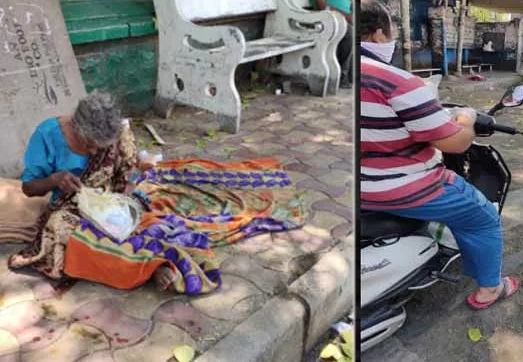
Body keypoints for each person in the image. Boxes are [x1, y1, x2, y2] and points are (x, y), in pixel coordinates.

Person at [10, 91, 306, 295]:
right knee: (63, 235)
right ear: (77, 125)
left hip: (112, 199)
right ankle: (148, 267)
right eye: (90, 145)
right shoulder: (48, 135)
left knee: (153, 219)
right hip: (71, 205)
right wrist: (55, 179)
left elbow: (125, 169)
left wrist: (123, 197)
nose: (94, 152)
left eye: (101, 147)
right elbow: (27, 187)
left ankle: (146, 250)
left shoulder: (116, 135)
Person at [359, 0, 519, 309]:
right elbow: (456, 143)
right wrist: (466, 119)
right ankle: (490, 289)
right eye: (391, 33)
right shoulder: (398, 82)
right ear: (378, 33)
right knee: (484, 218)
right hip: (402, 189)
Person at [309, 0, 353, 88]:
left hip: (345, 17)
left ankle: (352, 75)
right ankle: (341, 77)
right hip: (326, 18)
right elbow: (322, 5)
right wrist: (347, 17)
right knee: (349, 31)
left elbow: (349, 0)